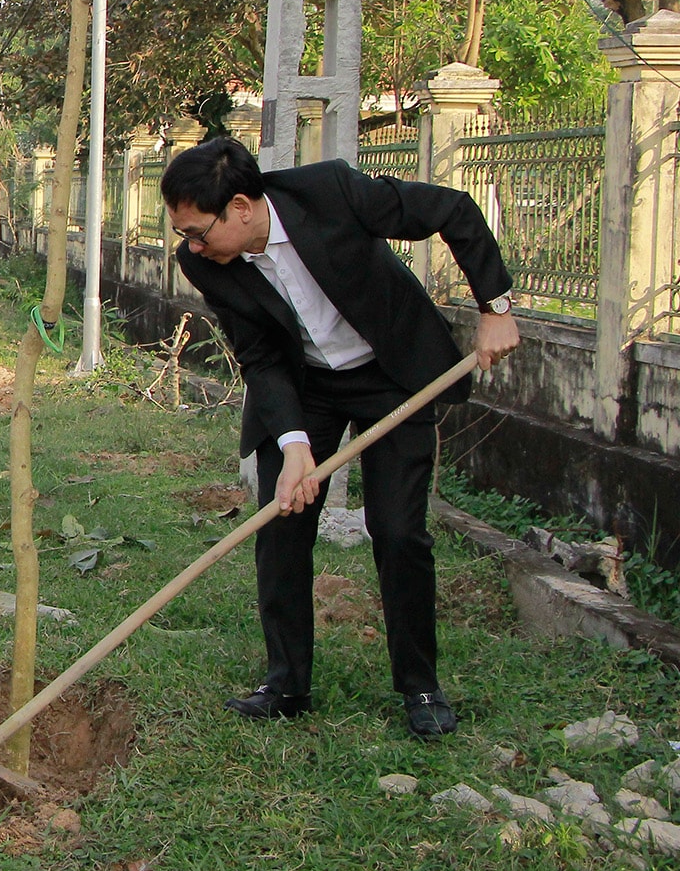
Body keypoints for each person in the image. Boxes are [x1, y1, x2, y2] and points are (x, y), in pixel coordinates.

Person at [161, 137, 520, 739]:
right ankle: (287, 682)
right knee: (282, 519)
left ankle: (420, 686)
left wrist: (496, 307)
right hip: (305, 384)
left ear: (242, 207)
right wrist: (296, 445)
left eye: (199, 231)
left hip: (391, 375)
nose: (192, 246)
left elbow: (452, 209)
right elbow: (260, 356)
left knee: (399, 530)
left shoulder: (330, 192)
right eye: (186, 234)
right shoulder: (205, 262)